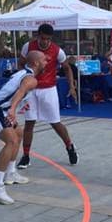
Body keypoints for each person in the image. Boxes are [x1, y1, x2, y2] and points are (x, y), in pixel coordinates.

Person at [0, 50, 46, 204]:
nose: (46, 62)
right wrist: (13, 109)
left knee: (18, 134)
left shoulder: (24, 72)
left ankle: (10, 173)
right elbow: (21, 91)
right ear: (36, 63)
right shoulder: (31, 79)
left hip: (2, 109)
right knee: (11, 141)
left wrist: (12, 109)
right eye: (44, 60)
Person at [17, 23, 78, 169]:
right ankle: (25, 156)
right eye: (43, 38)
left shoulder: (57, 50)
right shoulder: (28, 47)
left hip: (48, 90)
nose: (45, 41)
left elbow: (67, 68)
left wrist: (72, 86)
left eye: (48, 39)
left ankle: (69, 146)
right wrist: (22, 80)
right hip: (31, 89)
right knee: (29, 122)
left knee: (55, 122)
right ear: (38, 36)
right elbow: (20, 64)